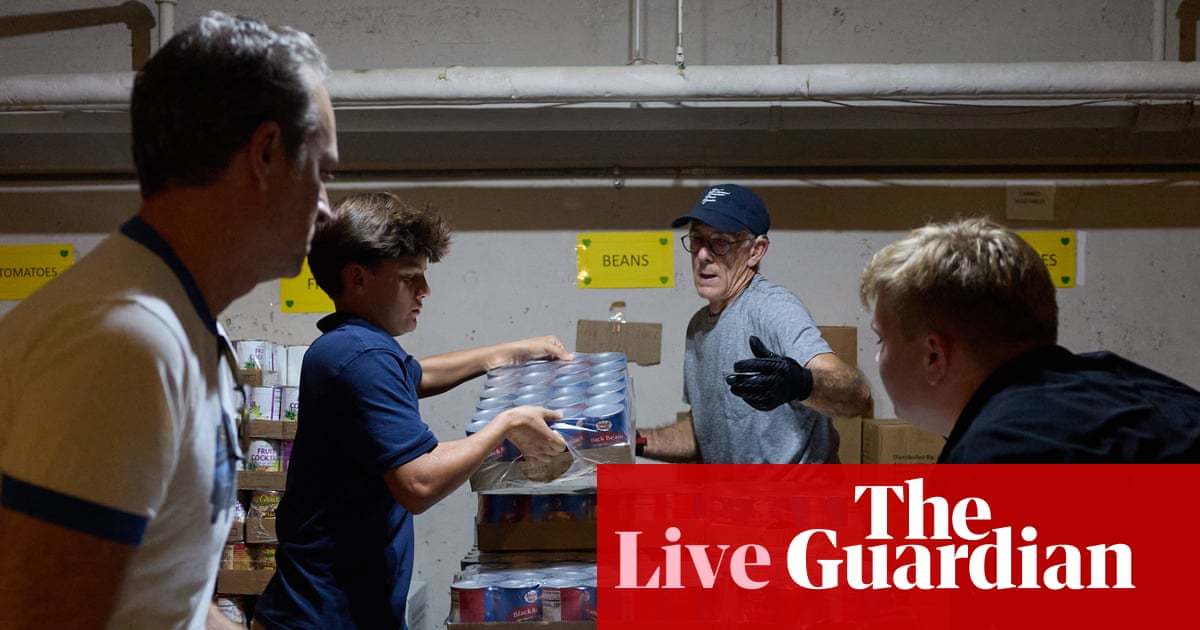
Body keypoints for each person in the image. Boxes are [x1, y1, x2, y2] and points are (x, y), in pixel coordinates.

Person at [0, 12, 337, 630]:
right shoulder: (123, 343)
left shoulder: (184, 326)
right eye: (322, 171)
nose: (326, 206)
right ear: (265, 154)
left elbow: (160, 590)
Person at [254, 191, 569, 629]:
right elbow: (419, 483)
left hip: (333, 609)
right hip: (327, 617)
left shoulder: (350, 346)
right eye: (409, 277)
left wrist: (509, 351)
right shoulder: (363, 357)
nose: (425, 290)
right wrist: (507, 424)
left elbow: (417, 374)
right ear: (358, 278)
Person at [859, 216, 1200, 462]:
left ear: (933, 356)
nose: (878, 358)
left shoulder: (1003, 451)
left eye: (881, 340)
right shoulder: (1132, 387)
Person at [637, 184, 872, 463]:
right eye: (697, 240)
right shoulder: (698, 327)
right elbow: (703, 434)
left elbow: (858, 396)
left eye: (720, 242)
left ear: (756, 251)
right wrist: (628, 440)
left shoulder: (772, 308)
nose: (702, 255)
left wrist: (802, 383)